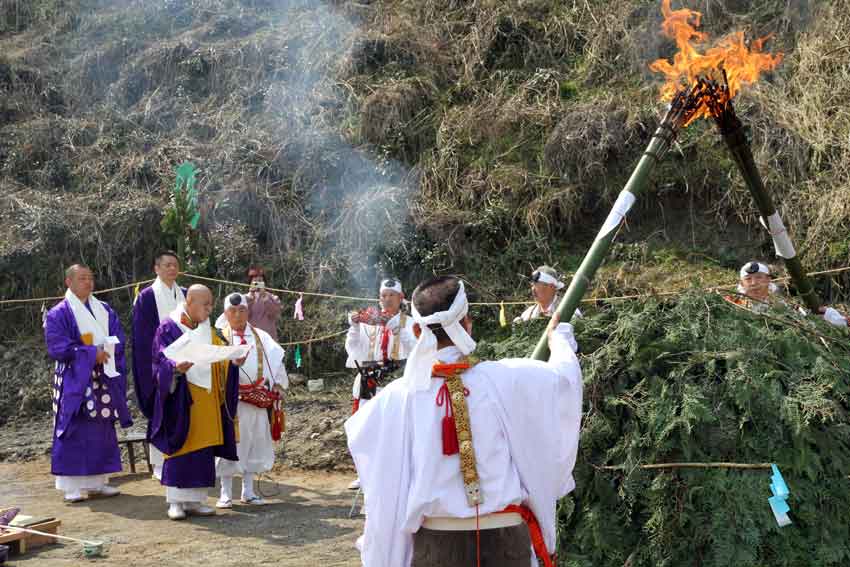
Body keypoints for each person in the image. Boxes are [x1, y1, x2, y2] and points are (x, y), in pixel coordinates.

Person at [345, 276, 583, 566]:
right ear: (468, 323)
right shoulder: (507, 378)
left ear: (418, 330)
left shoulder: (395, 400)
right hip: (506, 545)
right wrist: (559, 340)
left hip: (437, 549)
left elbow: (380, 488)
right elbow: (563, 381)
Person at [149, 284, 240, 520]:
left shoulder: (209, 329)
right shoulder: (169, 326)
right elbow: (158, 361)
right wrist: (174, 368)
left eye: (211, 304)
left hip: (207, 396)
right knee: (181, 446)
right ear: (189, 302)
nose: (210, 309)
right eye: (205, 304)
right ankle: (176, 502)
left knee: (203, 451)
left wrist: (233, 361)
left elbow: (221, 355)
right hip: (182, 395)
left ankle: (197, 500)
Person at [45, 264, 132, 502]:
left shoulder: (104, 309)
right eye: (82, 278)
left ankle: (99, 481)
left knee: (101, 428)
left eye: (90, 278)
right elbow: (57, 347)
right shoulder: (58, 313)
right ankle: (70, 486)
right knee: (73, 428)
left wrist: (109, 350)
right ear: (68, 282)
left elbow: (118, 337)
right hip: (75, 379)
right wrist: (91, 354)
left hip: (102, 376)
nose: (88, 282)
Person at [214, 292, 288, 508]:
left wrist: (278, 385)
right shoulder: (217, 337)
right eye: (233, 311)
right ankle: (225, 492)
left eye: (242, 310)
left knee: (255, 443)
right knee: (229, 446)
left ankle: (248, 490)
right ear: (226, 313)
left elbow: (277, 363)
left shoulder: (261, 337)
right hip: (230, 402)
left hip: (256, 400)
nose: (237, 315)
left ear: (248, 311)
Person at [344, 277, 416, 490]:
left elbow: (415, 351)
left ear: (401, 298)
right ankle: (364, 472)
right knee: (365, 430)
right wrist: (355, 327)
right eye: (383, 295)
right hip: (370, 380)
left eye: (391, 295)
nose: (387, 300)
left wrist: (397, 329)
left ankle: (399, 474)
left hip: (397, 381)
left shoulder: (411, 323)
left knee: (397, 431)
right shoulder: (370, 323)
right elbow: (354, 352)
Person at [131, 250, 185, 479]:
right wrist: (158, 364)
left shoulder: (184, 293)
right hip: (158, 364)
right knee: (160, 412)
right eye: (167, 265)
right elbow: (142, 338)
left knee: (183, 410)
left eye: (175, 265)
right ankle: (160, 464)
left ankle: (184, 458)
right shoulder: (146, 297)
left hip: (186, 362)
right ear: (156, 268)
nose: (172, 269)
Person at [729, 261, 848, 326]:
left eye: (759, 277)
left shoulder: (783, 305)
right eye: (748, 279)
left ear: (768, 279)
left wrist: (827, 314)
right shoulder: (733, 304)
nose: (754, 283)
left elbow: (806, 320)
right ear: (742, 283)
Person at [514, 265, 582, 323]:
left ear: (551, 287)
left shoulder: (569, 311)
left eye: (537, 285)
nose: (533, 289)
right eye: (532, 285)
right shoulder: (528, 314)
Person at [246, 267, 282, 340]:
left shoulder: (273, 298)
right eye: (255, 281)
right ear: (250, 282)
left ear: (264, 282)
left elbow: (274, 314)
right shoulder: (244, 298)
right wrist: (250, 295)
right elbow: (243, 316)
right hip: (250, 337)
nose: (258, 283)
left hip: (269, 338)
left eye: (260, 280)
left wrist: (265, 297)